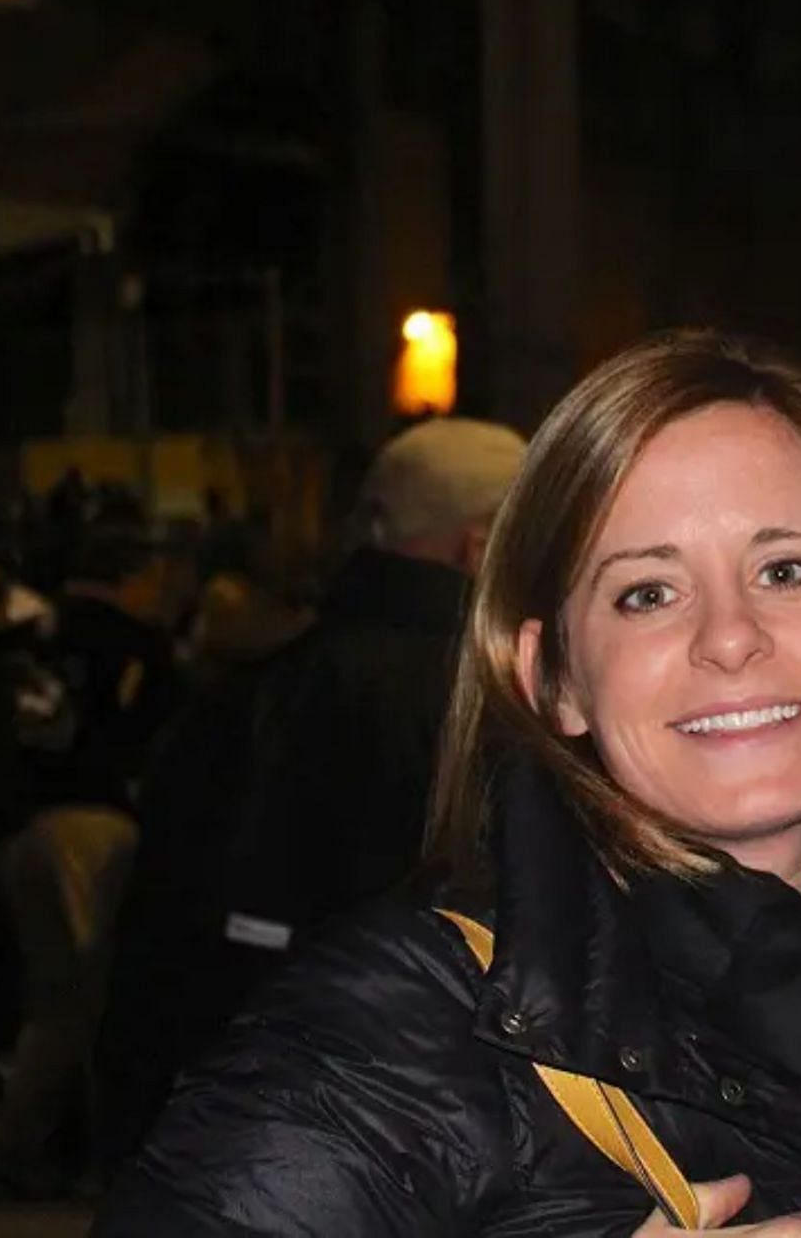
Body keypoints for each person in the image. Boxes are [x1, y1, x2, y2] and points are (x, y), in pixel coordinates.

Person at [95, 332, 801, 1237]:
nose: (730, 638)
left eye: (785, 571)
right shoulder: (396, 1034)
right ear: (554, 679)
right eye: (647, 593)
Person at [94, 415, 527, 1169]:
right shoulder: (506, 700)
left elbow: (165, 930)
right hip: (446, 1111)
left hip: (254, 1109)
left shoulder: (255, 689)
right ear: (480, 543)